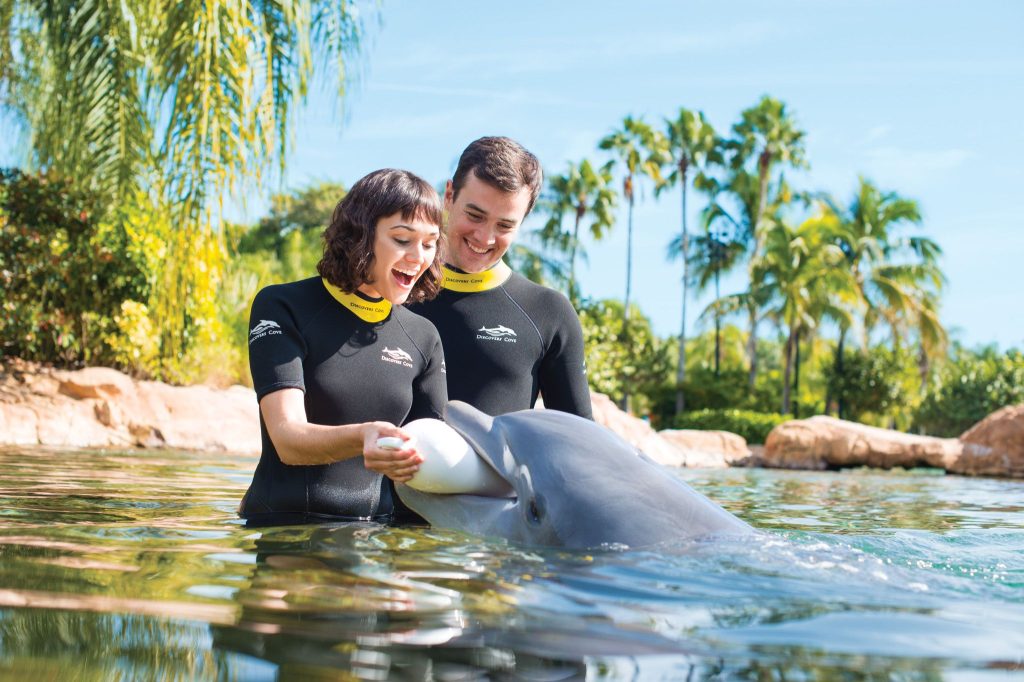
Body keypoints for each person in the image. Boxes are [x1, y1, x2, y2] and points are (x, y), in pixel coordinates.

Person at [240, 168, 447, 526]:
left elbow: (433, 452)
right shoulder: (284, 306)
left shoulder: (423, 335)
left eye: (429, 244)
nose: (418, 257)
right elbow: (287, 438)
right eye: (402, 239)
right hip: (284, 532)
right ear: (361, 235)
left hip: (375, 539)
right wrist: (362, 437)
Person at [409, 137, 592, 418]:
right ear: (449, 196)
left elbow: (578, 437)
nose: (485, 238)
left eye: (505, 225)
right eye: (475, 215)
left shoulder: (548, 312)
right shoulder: (395, 294)